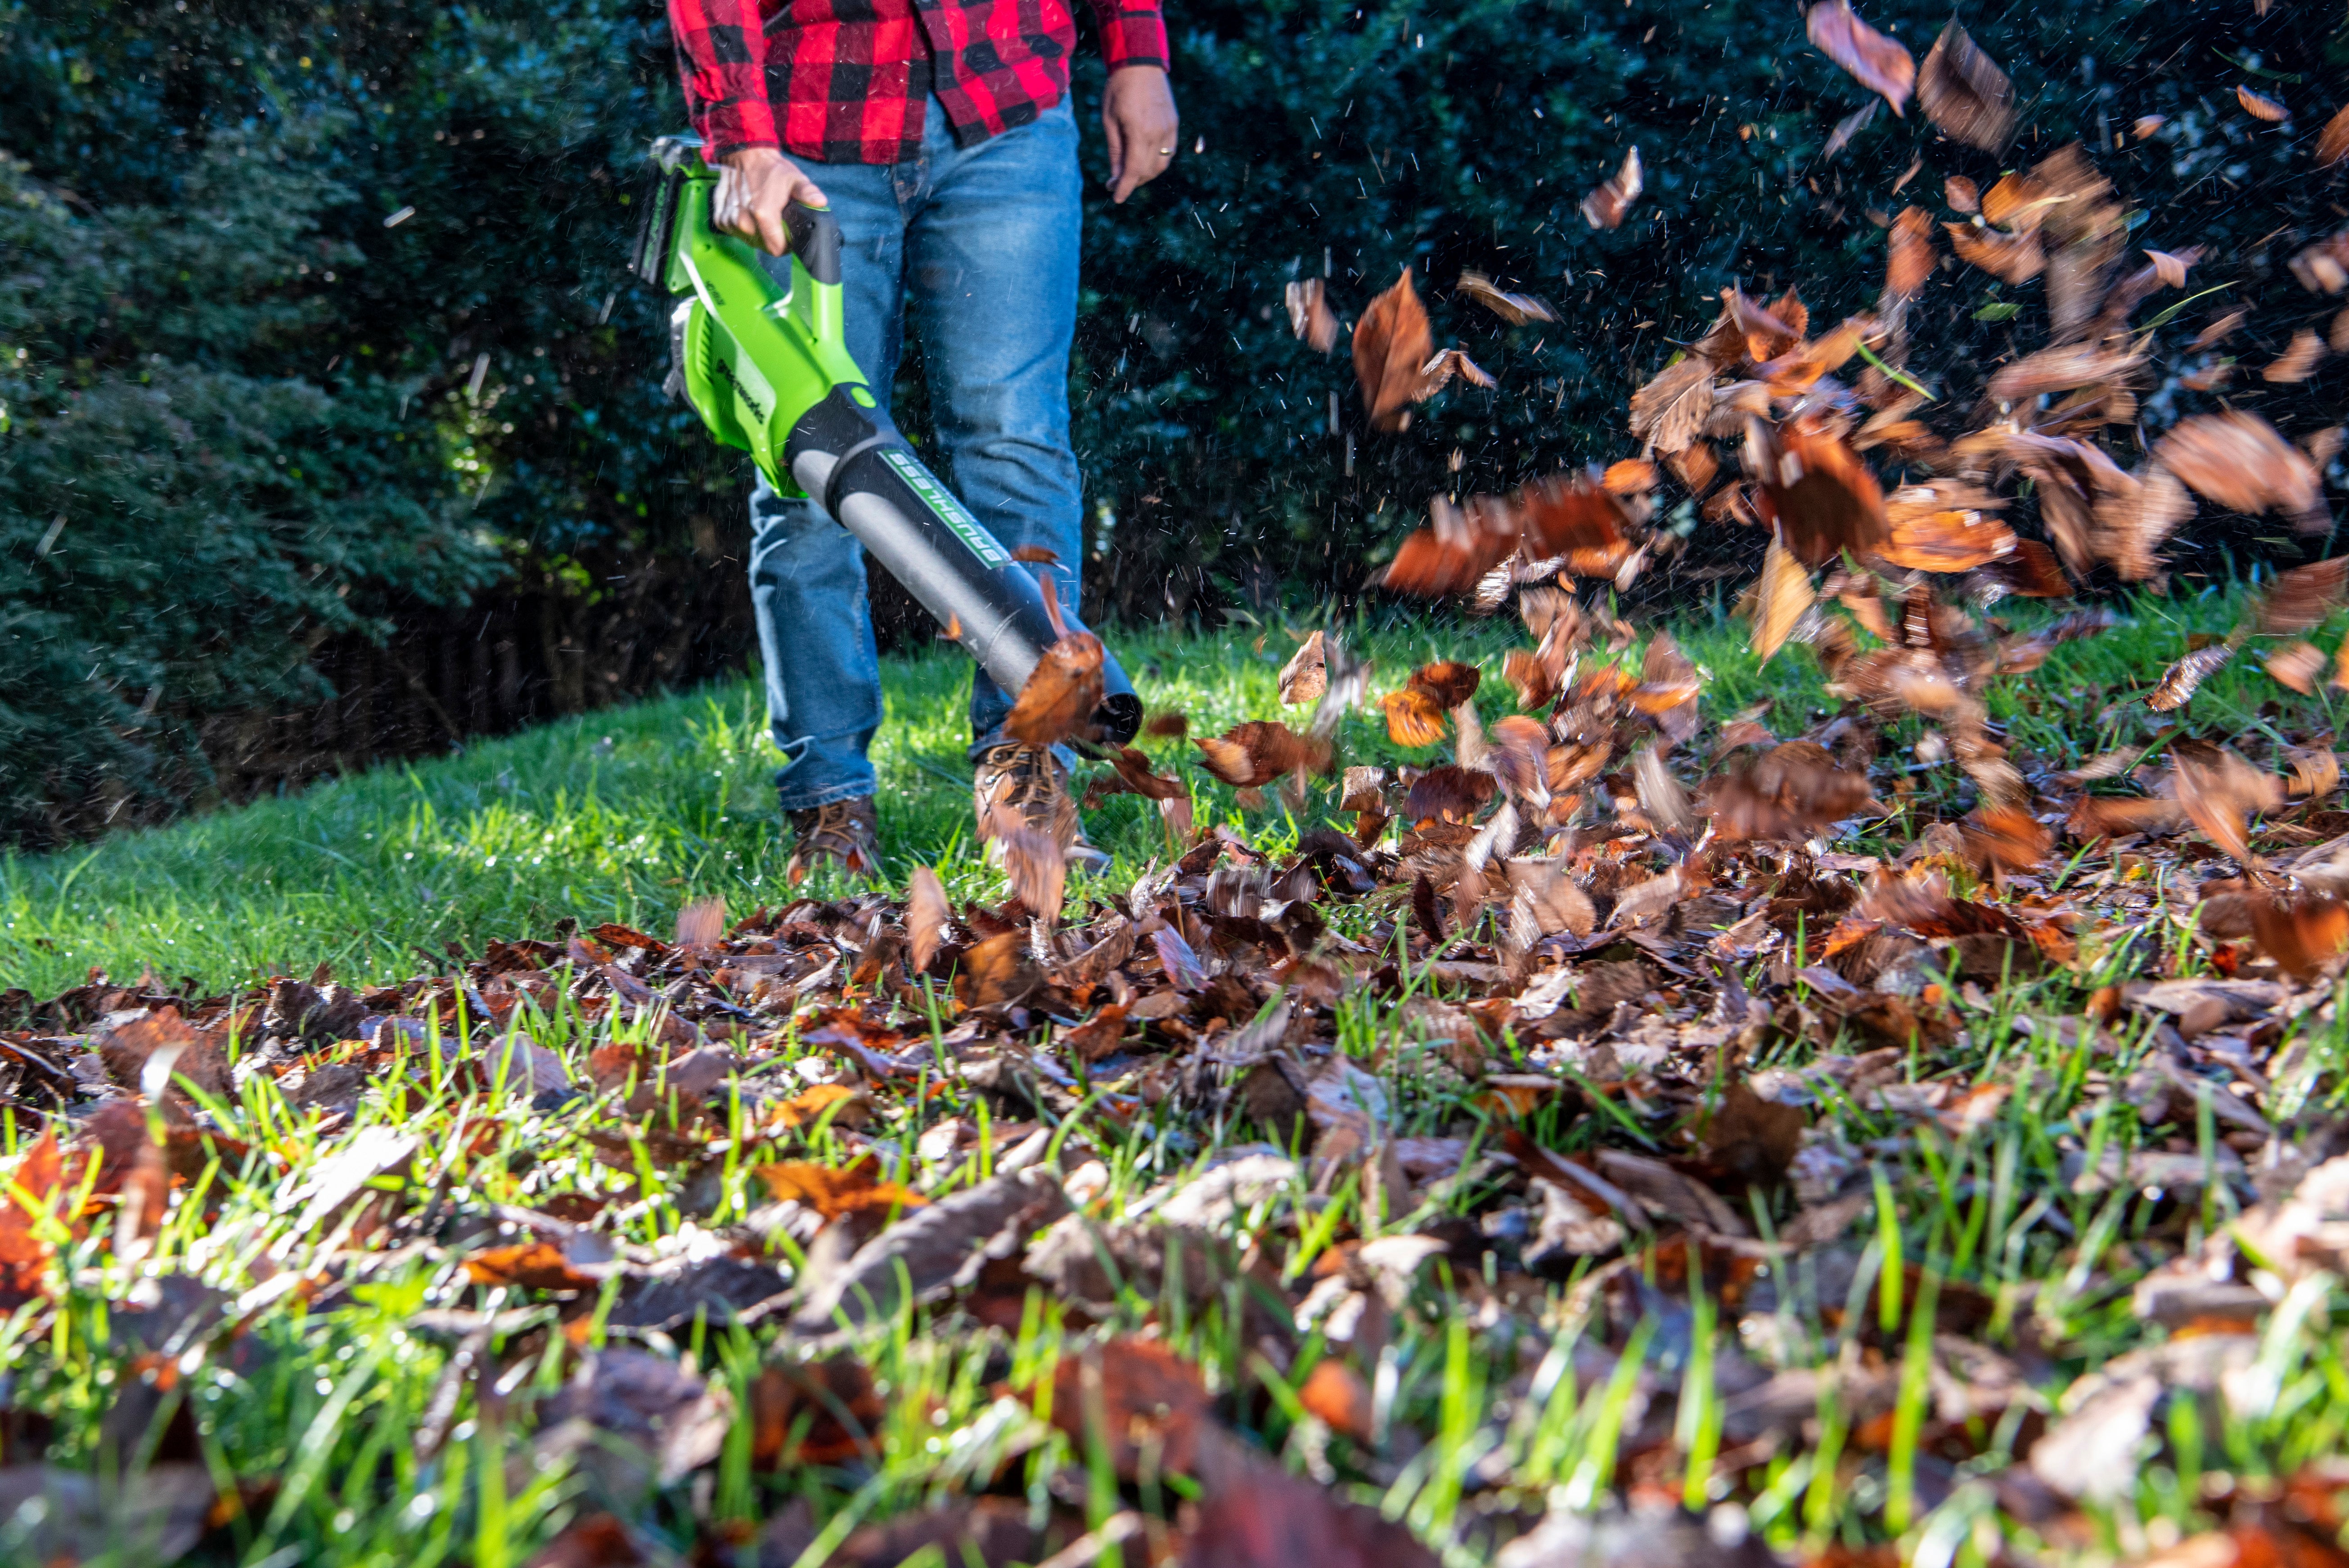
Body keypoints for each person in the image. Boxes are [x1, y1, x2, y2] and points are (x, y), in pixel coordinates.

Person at [666, 0, 1179, 881]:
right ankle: (830, 802)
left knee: (1017, 443)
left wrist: (1137, 48)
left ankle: (1028, 780)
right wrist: (743, 136)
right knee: (809, 471)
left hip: (1005, 102)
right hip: (808, 125)